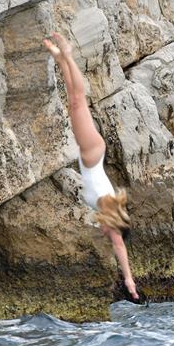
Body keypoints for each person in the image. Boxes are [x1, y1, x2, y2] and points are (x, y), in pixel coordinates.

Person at [43, 32, 139, 301]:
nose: (106, 234)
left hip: (91, 153)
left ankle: (61, 59)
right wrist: (129, 280)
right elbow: (120, 247)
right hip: (93, 153)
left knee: (74, 103)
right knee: (78, 101)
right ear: (116, 225)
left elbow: (113, 240)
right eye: (111, 232)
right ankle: (68, 54)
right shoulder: (109, 206)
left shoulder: (101, 209)